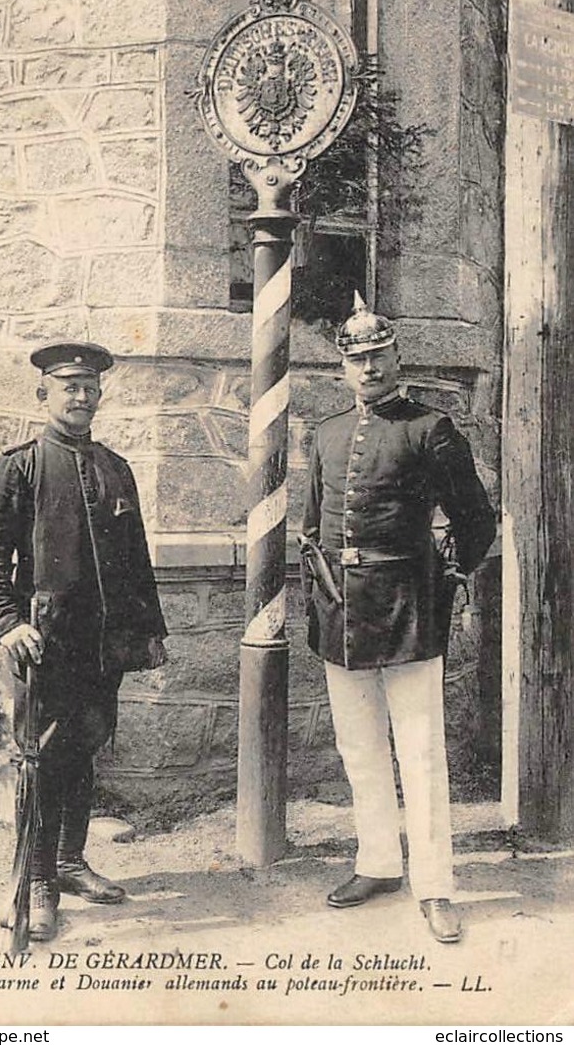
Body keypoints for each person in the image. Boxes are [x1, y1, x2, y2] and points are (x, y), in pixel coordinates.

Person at [301, 292, 496, 943]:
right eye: (357, 362)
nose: (370, 370)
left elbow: (474, 520)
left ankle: (436, 885)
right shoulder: (326, 435)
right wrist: (322, 593)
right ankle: (379, 862)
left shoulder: (428, 429)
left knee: (420, 751)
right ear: (342, 370)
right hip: (344, 609)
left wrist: (448, 578)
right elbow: (311, 528)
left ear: (397, 358)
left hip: (410, 605)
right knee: (358, 746)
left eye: (380, 356)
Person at [0, 340, 167, 941]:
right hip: (45, 647)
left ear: (99, 395)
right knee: (40, 761)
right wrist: (8, 624)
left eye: (89, 388)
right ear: (44, 395)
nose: (80, 397)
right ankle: (37, 882)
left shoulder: (114, 466)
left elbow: (136, 559)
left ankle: (71, 861)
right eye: (68, 388)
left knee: (84, 748)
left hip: (100, 645)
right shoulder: (18, 466)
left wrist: (149, 630)